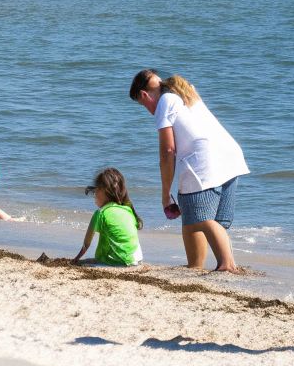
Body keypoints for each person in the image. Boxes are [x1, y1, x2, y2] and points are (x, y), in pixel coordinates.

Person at [128, 70, 249, 272]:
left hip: (205, 160)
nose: (147, 110)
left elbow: (167, 152)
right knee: (195, 218)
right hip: (229, 155)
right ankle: (195, 266)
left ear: (144, 95)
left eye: (143, 105)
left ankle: (227, 265)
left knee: (202, 218)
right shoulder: (185, 92)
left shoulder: (165, 101)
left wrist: (165, 193)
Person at [73, 167, 143, 266]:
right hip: (137, 261)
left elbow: (86, 245)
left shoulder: (100, 213)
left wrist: (76, 259)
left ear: (104, 191)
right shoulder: (128, 210)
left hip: (116, 263)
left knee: (83, 262)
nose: (94, 194)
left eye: (95, 190)